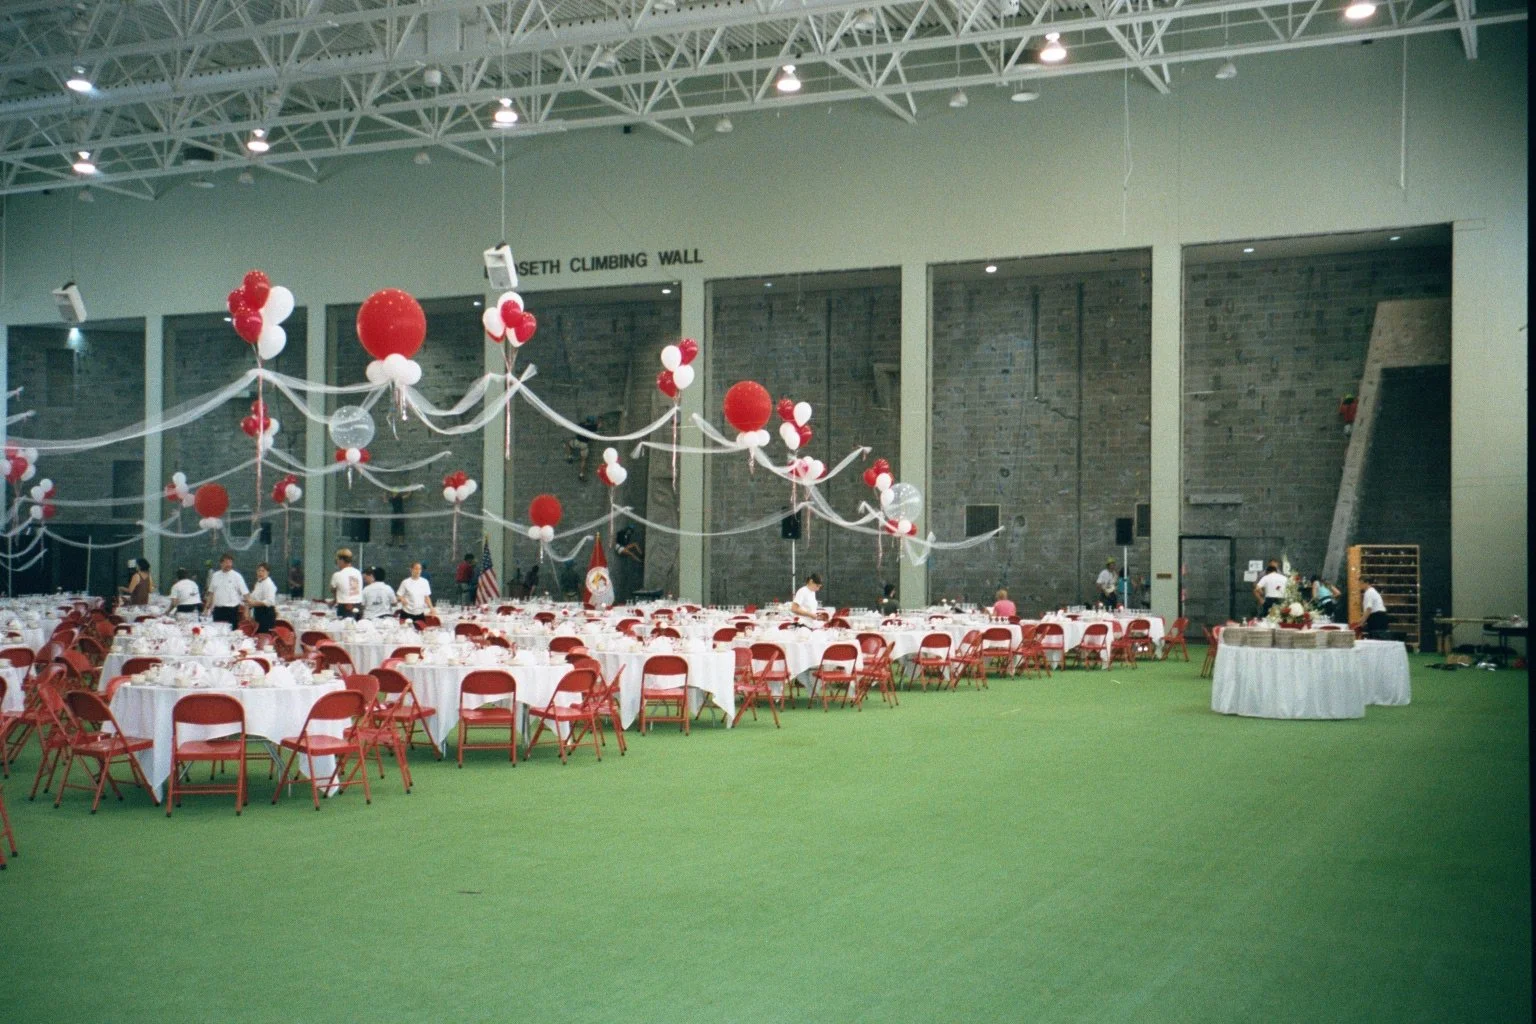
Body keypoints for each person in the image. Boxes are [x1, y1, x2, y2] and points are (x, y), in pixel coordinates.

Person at [204, 553, 248, 627]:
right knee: (217, 632)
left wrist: (246, 610)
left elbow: (246, 594)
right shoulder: (215, 576)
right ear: (221, 563)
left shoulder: (237, 576)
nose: (229, 564)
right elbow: (211, 593)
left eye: (230, 562)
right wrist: (206, 607)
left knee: (231, 633)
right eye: (227, 562)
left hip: (232, 610)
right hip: (218, 610)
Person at [245, 562, 278, 634]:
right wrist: (247, 601)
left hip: (266, 615)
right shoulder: (258, 582)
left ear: (268, 572)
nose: (260, 573)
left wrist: (254, 603)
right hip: (258, 614)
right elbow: (253, 596)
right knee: (257, 635)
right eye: (259, 570)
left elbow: (270, 601)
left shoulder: (269, 584)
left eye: (263, 571)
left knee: (264, 637)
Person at [331, 548, 364, 619]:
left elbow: (333, 590)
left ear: (341, 560)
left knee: (345, 628)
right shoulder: (358, 572)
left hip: (345, 607)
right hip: (358, 605)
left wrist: (334, 600)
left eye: (337, 560)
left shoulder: (337, 575)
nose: (337, 563)